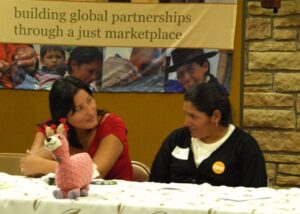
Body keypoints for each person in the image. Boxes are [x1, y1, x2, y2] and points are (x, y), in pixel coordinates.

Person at [149, 83, 267, 187]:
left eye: (193, 116)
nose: (186, 122)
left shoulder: (244, 146)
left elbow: (255, 195)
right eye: (186, 115)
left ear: (216, 116)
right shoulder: (177, 139)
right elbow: (155, 184)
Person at [20, 76, 133, 181]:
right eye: (79, 109)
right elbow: (27, 165)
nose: (90, 111)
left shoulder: (112, 124)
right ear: (63, 116)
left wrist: (56, 167)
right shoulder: (52, 129)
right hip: (65, 197)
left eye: (89, 100)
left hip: (115, 198)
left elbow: (96, 173)